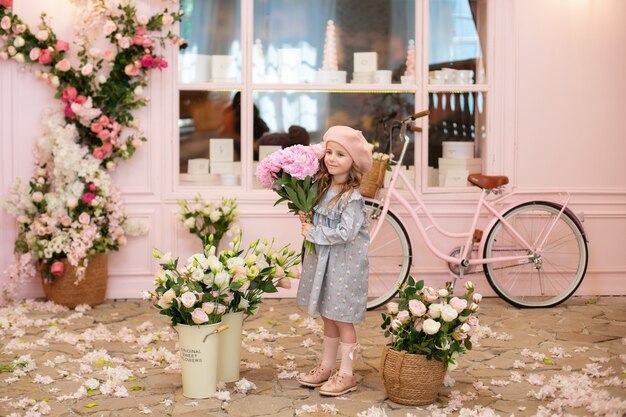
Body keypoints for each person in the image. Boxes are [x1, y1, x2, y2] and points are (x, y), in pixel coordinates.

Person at [295, 125, 373, 396]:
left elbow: (345, 233)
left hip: (344, 266)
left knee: (342, 319)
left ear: (353, 162)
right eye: (329, 151)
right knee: (327, 315)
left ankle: (347, 373)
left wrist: (313, 231)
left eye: (341, 154)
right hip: (326, 265)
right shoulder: (322, 188)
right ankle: (327, 367)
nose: (332, 158)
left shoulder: (351, 197)